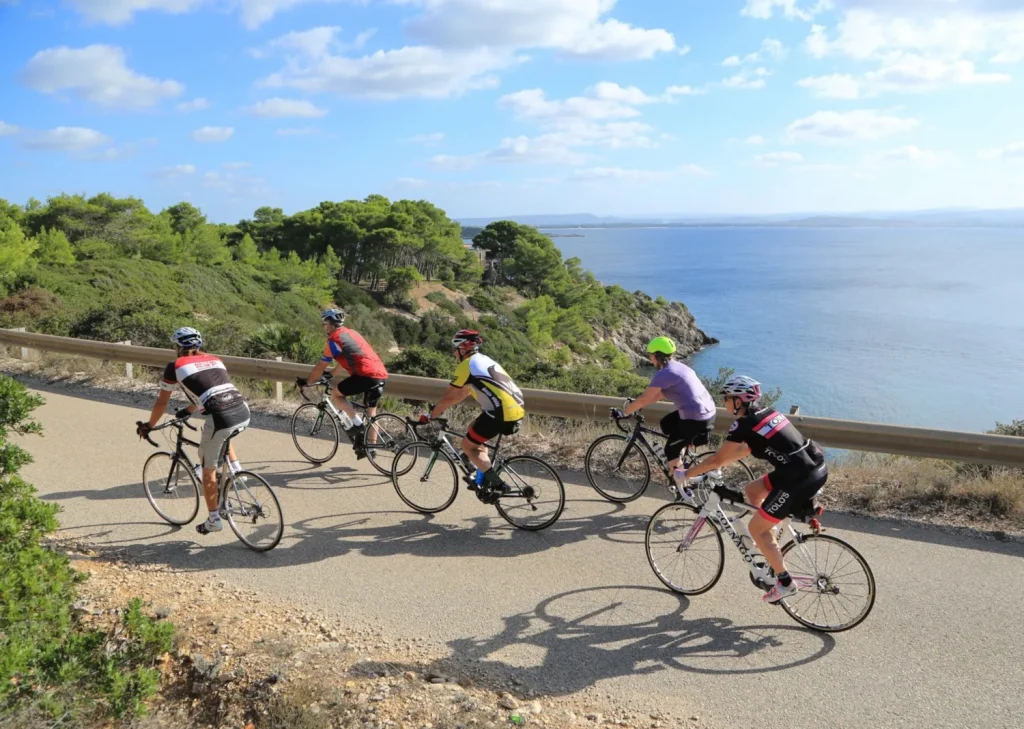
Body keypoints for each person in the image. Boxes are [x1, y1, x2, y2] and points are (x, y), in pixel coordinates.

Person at [677, 375, 827, 604]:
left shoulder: (743, 423)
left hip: (799, 478)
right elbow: (745, 450)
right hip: (809, 467)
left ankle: (785, 583)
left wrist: (685, 474)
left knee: (756, 528)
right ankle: (768, 543)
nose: (725, 402)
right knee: (753, 490)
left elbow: (718, 458)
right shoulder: (767, 413)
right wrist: (716, 464)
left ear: (739, 400)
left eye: (727, 398)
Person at [137, 327, 251, 536]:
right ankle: (236, 471)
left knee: (208, 469)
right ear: (198, 345)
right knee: (221, 434)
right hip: (243, 411)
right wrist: (188, 410)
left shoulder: (175, 366)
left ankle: (214, 519)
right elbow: (208, 390)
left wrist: (149, 426)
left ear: (178, 347)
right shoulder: (215, 359)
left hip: (221, 417)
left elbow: (162, 401)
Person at [420, 329, 525, 501]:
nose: (453, 353)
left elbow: (448, 397)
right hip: (516, 409)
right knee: (473, 431)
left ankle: (497, 483)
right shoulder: (484, 360)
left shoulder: (466, 366)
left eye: (455, 349)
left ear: (463, 349)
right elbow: (462, 394)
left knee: (467, 445)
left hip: (500, 414)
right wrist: (441, 408)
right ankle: (482, 477)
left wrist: (430, 415)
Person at [611, 336, 716, 484]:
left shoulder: (665, 374)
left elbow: (644, 398)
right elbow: (656, 396)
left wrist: (624, 412)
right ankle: (680, 457)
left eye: (650, 355)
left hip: (696, 417)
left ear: (657, 356)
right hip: (705, 411)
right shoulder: (679, 367)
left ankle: (681, 484)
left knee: (670, 450)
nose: (649, 358)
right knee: (666, 424)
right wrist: (638, 406)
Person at [297, 308, 389, 456]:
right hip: (381, 374)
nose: (324, 327)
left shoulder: (334, 341)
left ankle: (358, 425)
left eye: (325, 324)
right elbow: (346, 359)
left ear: (331, 325)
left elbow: (321, 365)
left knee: (337, 394)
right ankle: (371, 449)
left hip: (365, 375)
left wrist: (308, 382)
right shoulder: (352, 334)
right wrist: (332, 374)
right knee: (371, 414)